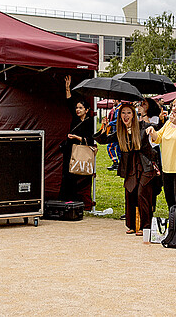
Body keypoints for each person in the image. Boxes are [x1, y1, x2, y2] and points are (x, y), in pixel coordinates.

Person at [96, 102, 159, 234]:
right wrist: (104, 127)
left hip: (146, 165)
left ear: (133, 115)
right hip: (130, 166)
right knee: (130, 192)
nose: (126, 116)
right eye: (123, 113)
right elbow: (102, 140)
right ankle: (132, 225)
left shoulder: (143, 126)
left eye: (129, 113)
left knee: (142, 193)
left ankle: (145, 226)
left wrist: (157, 125)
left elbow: (158, 129)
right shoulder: (120, 131)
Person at [146, 98, 176, 209]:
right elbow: (158, 138)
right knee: (170, 202)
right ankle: (174, 224)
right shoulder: (169, 123)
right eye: (173, 106)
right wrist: (152, 131)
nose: (174, 108)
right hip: (167, 168)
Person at [59, 75, 96, 210]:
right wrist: (67, 88)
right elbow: (69, 102)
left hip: (82, 152)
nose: (78, 110)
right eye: (77, 108)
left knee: (79, 177)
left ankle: (78, 201)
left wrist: (77, 138)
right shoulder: (75, 119)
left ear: (86, 110)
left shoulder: (90, 122)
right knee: (67, 175)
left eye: (80, 108)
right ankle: (65, 200)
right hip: (70, 150)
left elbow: (91, 139)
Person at [106, 100, 122, 171]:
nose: (112, 101)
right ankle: (121, 165)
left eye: (113, 100)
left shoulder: (119, 109)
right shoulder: (118, 108)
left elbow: (118, 120)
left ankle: (115, 163)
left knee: (110, 147)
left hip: (117, 132)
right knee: (119, 149)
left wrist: (109, 123)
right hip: (119, 132)